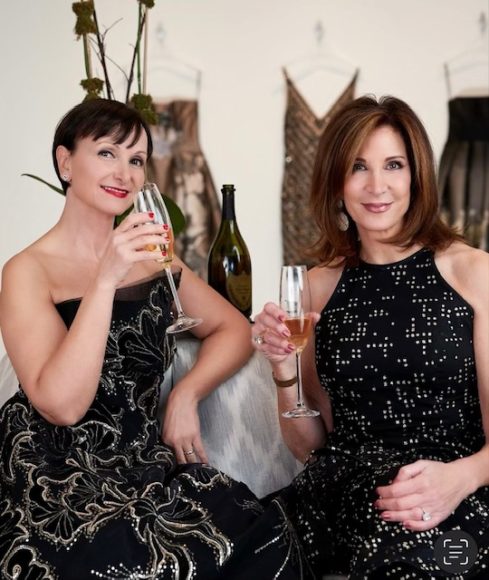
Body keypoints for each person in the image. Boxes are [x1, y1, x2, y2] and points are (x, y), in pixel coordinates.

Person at [0, 98, 303, 579]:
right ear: (65, 162)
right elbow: (62, 406)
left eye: (136, 159)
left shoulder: (156, 263)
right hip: (55, 473)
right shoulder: (26, 271)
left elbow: (233, 330)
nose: (125, 171)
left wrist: (185, 394)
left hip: (140, 464)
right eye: (107, 153)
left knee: (264, 539)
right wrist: (105, 279)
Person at [252, 95, 489, 578]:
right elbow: (311, 447)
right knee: (225, 552)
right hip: (344, 495)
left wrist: (460, 479)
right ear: (336, 182)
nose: (376, 186)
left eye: (393, 165)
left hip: (446, 490)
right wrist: (283, 372)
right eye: (358, 167)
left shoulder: (472, 273)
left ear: (416, 176)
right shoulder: (318, 285)